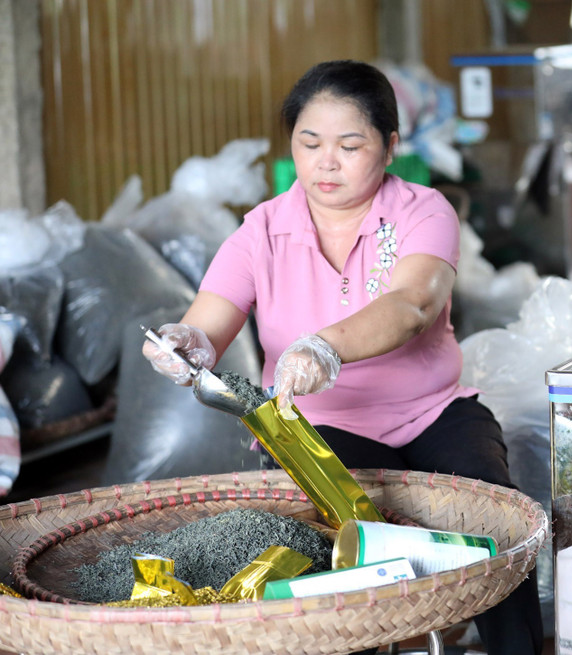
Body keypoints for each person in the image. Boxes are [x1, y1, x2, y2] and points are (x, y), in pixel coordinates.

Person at [142, 59, 543, 654]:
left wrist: (326, 345)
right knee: (333, 536)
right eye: (310, 143)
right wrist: (185, 346)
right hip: (316, 426)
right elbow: (208, 322)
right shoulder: (259, 232)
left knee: (493, 512)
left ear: (389, 147)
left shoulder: (421, 210)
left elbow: (413, 303)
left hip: (430, 411)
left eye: (349, 145)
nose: (326, 161)